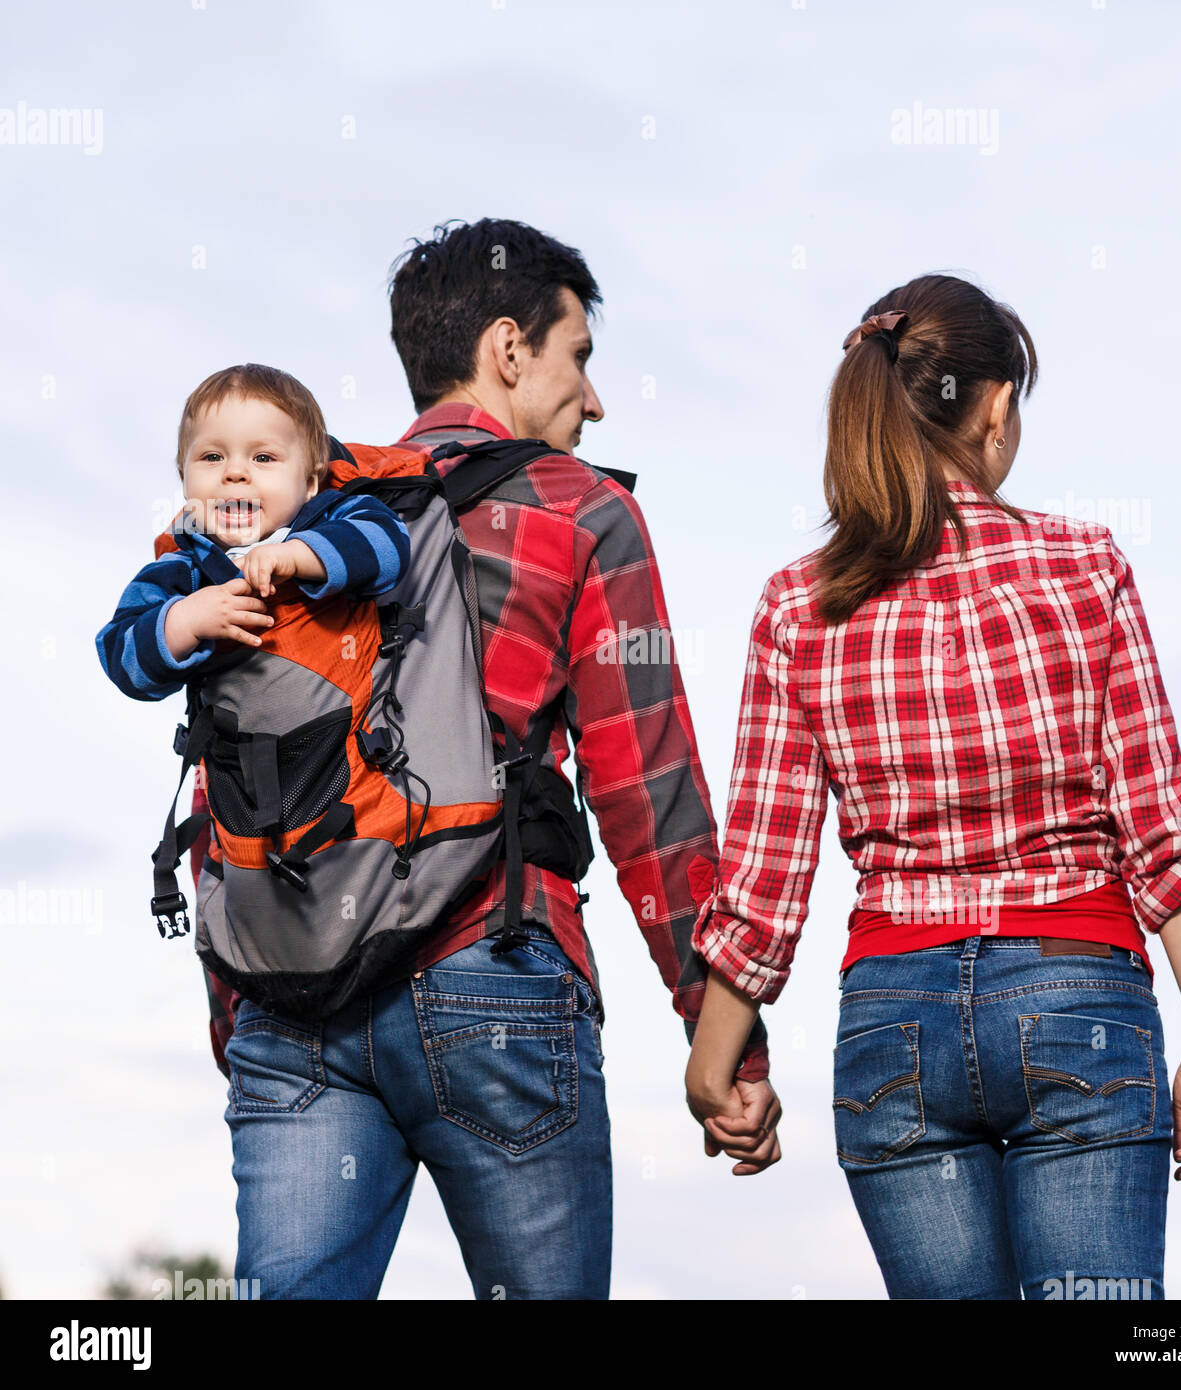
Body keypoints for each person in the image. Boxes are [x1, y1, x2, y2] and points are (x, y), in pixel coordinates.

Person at [187, 218, 778, 1300]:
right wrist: (724, 1032)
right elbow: (651, 793)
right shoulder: (581, 509)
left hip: (294, 992)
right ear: (508, 349)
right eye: (580, 357)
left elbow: (226, 756)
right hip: (492, 967)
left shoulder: (304, 512)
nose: (593, 401)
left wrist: (244, 999)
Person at [685, 273, 1181, 1299]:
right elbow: (1159, 826)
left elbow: (765, 877)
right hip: (1080, 988)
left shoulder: (796, 609)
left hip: (894, 1019)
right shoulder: (1084, 566)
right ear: (993, 408)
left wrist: (716, 1059)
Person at [96, 364, 409, 696]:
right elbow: (120, 655)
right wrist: (185, 620)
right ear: (184, 478)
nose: (234, 471)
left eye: (263, 457)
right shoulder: (182, 568)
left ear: (309, 481)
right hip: (238, 743)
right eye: (213, 456)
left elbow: (389, 543)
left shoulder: (332, 516)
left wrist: (297, 555)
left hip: (348, 738)